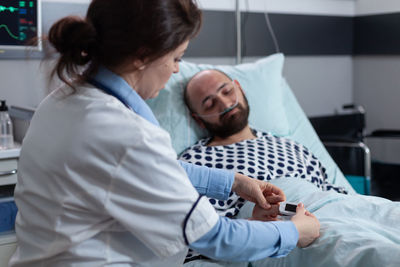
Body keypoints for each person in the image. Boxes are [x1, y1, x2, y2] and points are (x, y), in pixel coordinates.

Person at [9, 1, 319, 266]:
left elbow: (137, 168)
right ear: (142, 56)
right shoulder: (127, 133)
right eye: (176, 58)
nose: (175, 71)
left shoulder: (61, 101)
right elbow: (217, 238)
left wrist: (233, 182)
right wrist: (296, 232)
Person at [181, 69, 345, 261]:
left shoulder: (292, 146)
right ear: (198, 120)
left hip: (336, 214)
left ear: (240, 89)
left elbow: (332, 193)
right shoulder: (194, 164)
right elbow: (202, 235)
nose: (225, 104)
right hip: (281, 240)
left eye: (227, 92)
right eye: (210, 104)